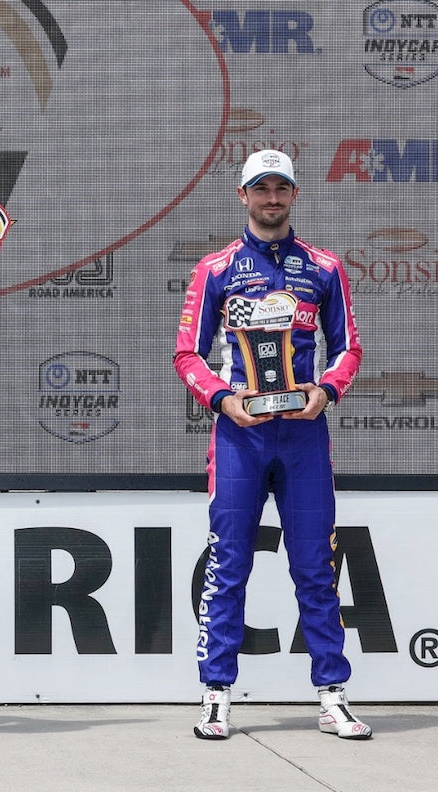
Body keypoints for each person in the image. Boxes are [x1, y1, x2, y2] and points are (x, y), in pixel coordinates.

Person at [174, 150, 369, 740]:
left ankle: (332, 696)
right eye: (261, 189)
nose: (272, 199)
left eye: (282, 188)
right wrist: (221, 400)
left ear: (295, 194)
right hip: (239, 436)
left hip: (305, 435)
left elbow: (349, 350)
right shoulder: (215, 269)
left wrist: (327, 390)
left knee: (316, 568)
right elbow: (188, 353)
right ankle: (215, 694)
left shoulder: (325, 268)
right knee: (228, 565)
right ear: (243, 196)